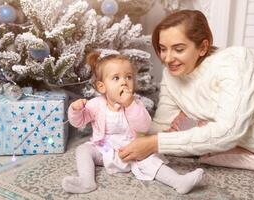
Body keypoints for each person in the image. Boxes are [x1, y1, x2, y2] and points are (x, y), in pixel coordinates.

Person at [118, 9, 254, 164]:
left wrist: (154, 144)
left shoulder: (234, 62)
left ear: (203, 47)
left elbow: (228, 131)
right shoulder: (171, 75)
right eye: (163, 49)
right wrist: (132, 137)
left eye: (179, 49)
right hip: (244, 148)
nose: (168, 58)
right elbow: (162, 125)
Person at [62, 50, 204, 194]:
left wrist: (130, 105)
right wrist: (75, 110)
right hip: (105, 148)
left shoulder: (136, 103)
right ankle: (87, 181)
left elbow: (144, 126)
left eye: (128, 77)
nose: (124, 82)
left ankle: (178, 181)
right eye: (116, 78)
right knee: (83, 149)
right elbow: (78, 122)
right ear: (101, 86)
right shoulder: (96, 104)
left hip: (132, 149)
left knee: (150, 160)